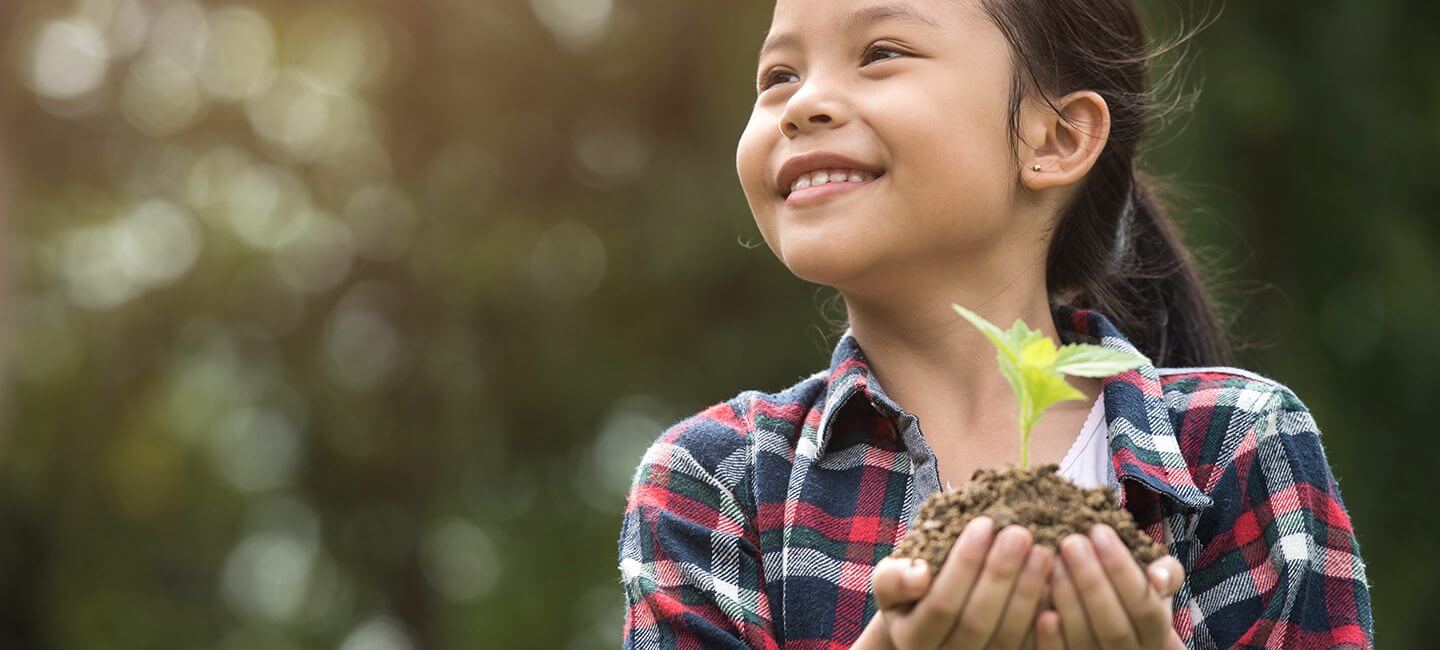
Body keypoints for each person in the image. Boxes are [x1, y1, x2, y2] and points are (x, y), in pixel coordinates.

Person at [616, 0, 1373, 647]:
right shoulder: (714, 483)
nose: (803, 102)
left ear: (1056, 138)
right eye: (778, 74)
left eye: (881, 53)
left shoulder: (1239, 445)